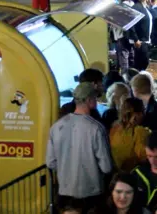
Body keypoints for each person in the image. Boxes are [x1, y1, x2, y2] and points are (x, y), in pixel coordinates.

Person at [46, 83, 113, 212]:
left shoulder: (56, 127)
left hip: (64, 192)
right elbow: (106, 167)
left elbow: (50, 162)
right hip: (91, 194)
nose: (96, 100)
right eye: (95, 98)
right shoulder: (96, 128)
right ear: (89, 100)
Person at [130, 72, 157, 142]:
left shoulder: (156, 108)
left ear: (136, 90)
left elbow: (156, 133)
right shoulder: (150, 105)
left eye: (132, 89)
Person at [110, 98, 151, 172]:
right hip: (133, 174)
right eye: (143, 111)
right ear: (136, 114)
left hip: (116, 172)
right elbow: (143, 156)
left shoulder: (114, 128)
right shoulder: (139, 131)